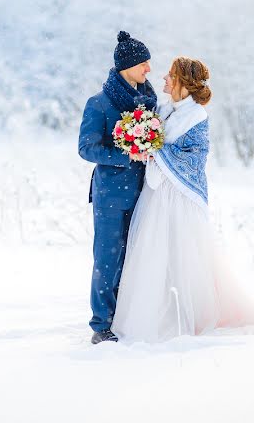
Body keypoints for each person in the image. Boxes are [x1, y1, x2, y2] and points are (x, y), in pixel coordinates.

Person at [112, 57, 254, 342]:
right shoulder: (164, 109)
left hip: (180, 196)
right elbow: (156, 142)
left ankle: (191, 315)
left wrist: (155, 151)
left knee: (183, 255)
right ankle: (155, 314)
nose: (164, 79)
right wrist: (142, 144)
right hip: (157, 193)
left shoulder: (196, 116)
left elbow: (194, 158)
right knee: (154, 253)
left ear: (183, 82)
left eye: (171, 75)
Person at [77, 31, 156, 344]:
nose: (149, 69)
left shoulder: (149, 102)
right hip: (110, 194)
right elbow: (86, 148)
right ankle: (101, 325)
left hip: (144, 192)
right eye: (144, 64)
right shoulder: (98, 103)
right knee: (108, 258)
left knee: (136, 257)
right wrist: (126, 154)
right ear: (129, 66)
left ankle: (127, 316)